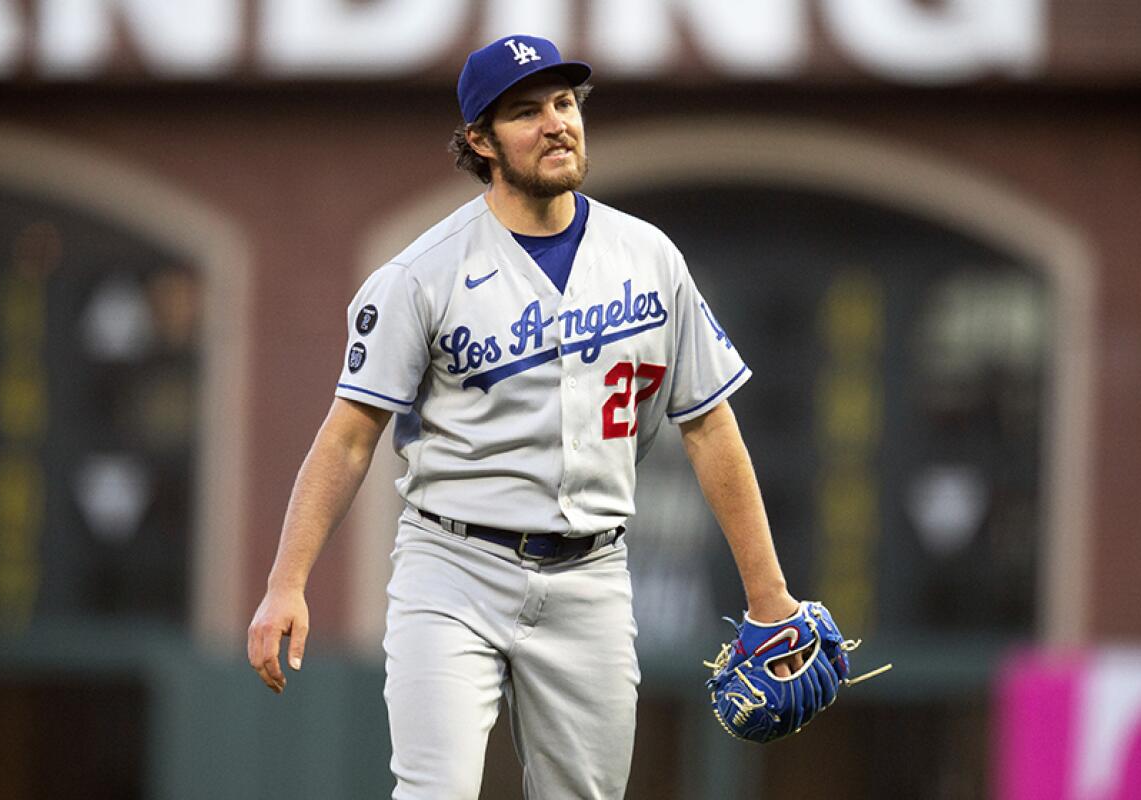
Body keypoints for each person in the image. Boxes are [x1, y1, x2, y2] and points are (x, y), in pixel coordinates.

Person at [248, 33, 801, 799]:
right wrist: (287, 582)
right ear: (479, 139)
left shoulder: (649, 257)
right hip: (453, 567)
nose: (556, 123)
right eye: (525, 111)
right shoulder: (418, 276)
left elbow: (709, 426)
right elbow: (348, 439)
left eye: (565, 102)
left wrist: (769, 597)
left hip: (594, 573)